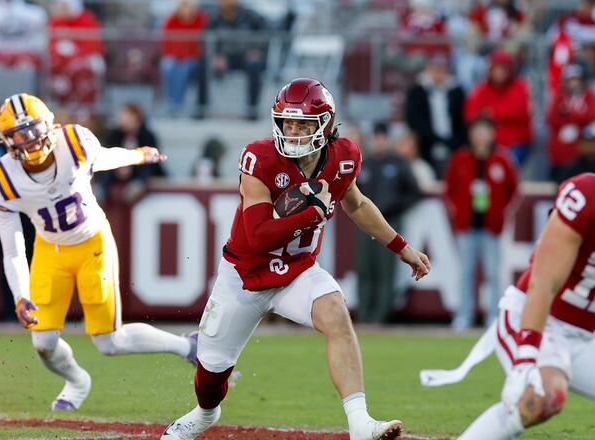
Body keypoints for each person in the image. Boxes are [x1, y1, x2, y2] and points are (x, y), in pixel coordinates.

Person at [161, 78, 431, 440]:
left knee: (337, 314)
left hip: (298, 272)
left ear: (326, 125)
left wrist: (403, 248)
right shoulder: (260, 158)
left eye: (302, 123)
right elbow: (257, 238)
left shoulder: (344, 156)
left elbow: (357, 203)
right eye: (287, 122)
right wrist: (310, 214)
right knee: (210, 379)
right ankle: (204, 414)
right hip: (245, 275)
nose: (293, 131)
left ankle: (360, 423)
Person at [422, 107, 595, 439]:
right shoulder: (587, 195)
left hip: (585, 334)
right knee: (544, 397)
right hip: (534, 317)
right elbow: (544, 281)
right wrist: (526, 356)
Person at [0, 93, 198, 411]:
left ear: (48, 124)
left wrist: (138, 156)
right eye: (19, 133)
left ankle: (187, 346)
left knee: (109, 342)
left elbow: (104, 158)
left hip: (91, 243)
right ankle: (76, 380)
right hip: (50, 250)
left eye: (32, 129)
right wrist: (19, 293)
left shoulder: (73, 141)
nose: (28, 140)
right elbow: (12, 245)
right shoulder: (1, 179)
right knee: (43, 342)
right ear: (7, 140)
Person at [444, 116, 518, 330]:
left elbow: (513, 190)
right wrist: (457, 210)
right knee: (465, 272)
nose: (481, 135)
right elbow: (450, 189)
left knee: (493, 273)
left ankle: (493, 316)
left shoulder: (502, 160)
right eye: (477, 131)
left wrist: (502, 211)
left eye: (485, 131)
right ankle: (464, 315)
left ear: (492, 134)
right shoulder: (460, 159)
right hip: (467, 226)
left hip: (491, 226)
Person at [356, 122, 421, 323]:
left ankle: (379, 317)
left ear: (387, 140)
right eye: (375, 138)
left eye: (381, 137)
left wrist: (396, 208)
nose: (378, 142)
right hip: (365, 225)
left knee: (386, 271)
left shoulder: (399, 163)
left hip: (390, 222)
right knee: (365, 268)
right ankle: (364, 315)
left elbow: (414, 192)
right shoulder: (364, 164)